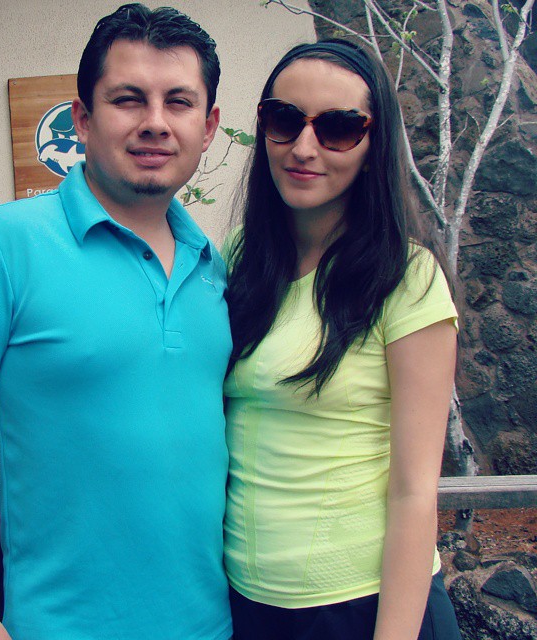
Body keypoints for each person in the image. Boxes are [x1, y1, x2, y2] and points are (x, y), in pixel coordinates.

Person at [0, 4, 232, 639]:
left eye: (179, 102)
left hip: (211, 626)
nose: (155, 123)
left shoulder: (213, 265)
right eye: (128, 99)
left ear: (210, 124)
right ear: (82, 119)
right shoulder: (2, 246)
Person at [223, 40, 462, 640]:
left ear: (374, 143)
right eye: (283, 120)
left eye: (338, 128)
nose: (304, 148)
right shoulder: (243, 262)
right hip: (249, 605)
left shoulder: (406, 281)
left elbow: (414, 492)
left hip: (365, 607)